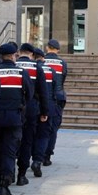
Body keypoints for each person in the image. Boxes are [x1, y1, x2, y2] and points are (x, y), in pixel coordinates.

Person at [0, 43, 33, 195]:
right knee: (10, 151)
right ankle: (5, 184)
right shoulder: (21, 72)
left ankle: (1, 178)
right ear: (13, 56)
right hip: (14, 117)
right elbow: (29, 94)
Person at [15, 43, 49, 186]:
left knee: (10, 142)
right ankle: (21, 174)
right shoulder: (37, 67)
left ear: (19, 52)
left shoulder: (13, 65)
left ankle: (8, 173)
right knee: (27, 141)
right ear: (31, 54)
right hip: (31, 108)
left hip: (14, 107)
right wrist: (44, 111)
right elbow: (43, 92)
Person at [32, 48, 59, 178]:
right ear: (43, 57)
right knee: (44, 135)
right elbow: (55, 90)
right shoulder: (51, 71)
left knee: (29, 136)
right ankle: (39, 160)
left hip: (31, 107)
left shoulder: (29, 69)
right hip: (47, 106)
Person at [43, 39, 69, 166]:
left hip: (43, 98)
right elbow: (62, 79)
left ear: (47, 48)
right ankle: (47, 155)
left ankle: (39, 153)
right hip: (58, 97)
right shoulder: (62, 63)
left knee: (41, 128)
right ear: (58, 50)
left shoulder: (41, 61)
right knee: (53, 128)